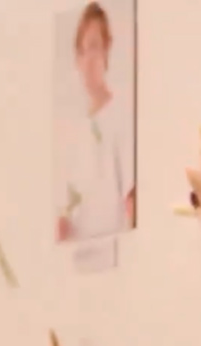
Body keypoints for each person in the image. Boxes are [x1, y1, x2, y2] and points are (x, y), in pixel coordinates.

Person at [56, 1, 136, 242]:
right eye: (82, 51)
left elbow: (131, 199)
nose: (88, 60)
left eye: (94, 47)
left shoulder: (122, 115)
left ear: (106, 49)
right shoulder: (75, 130)